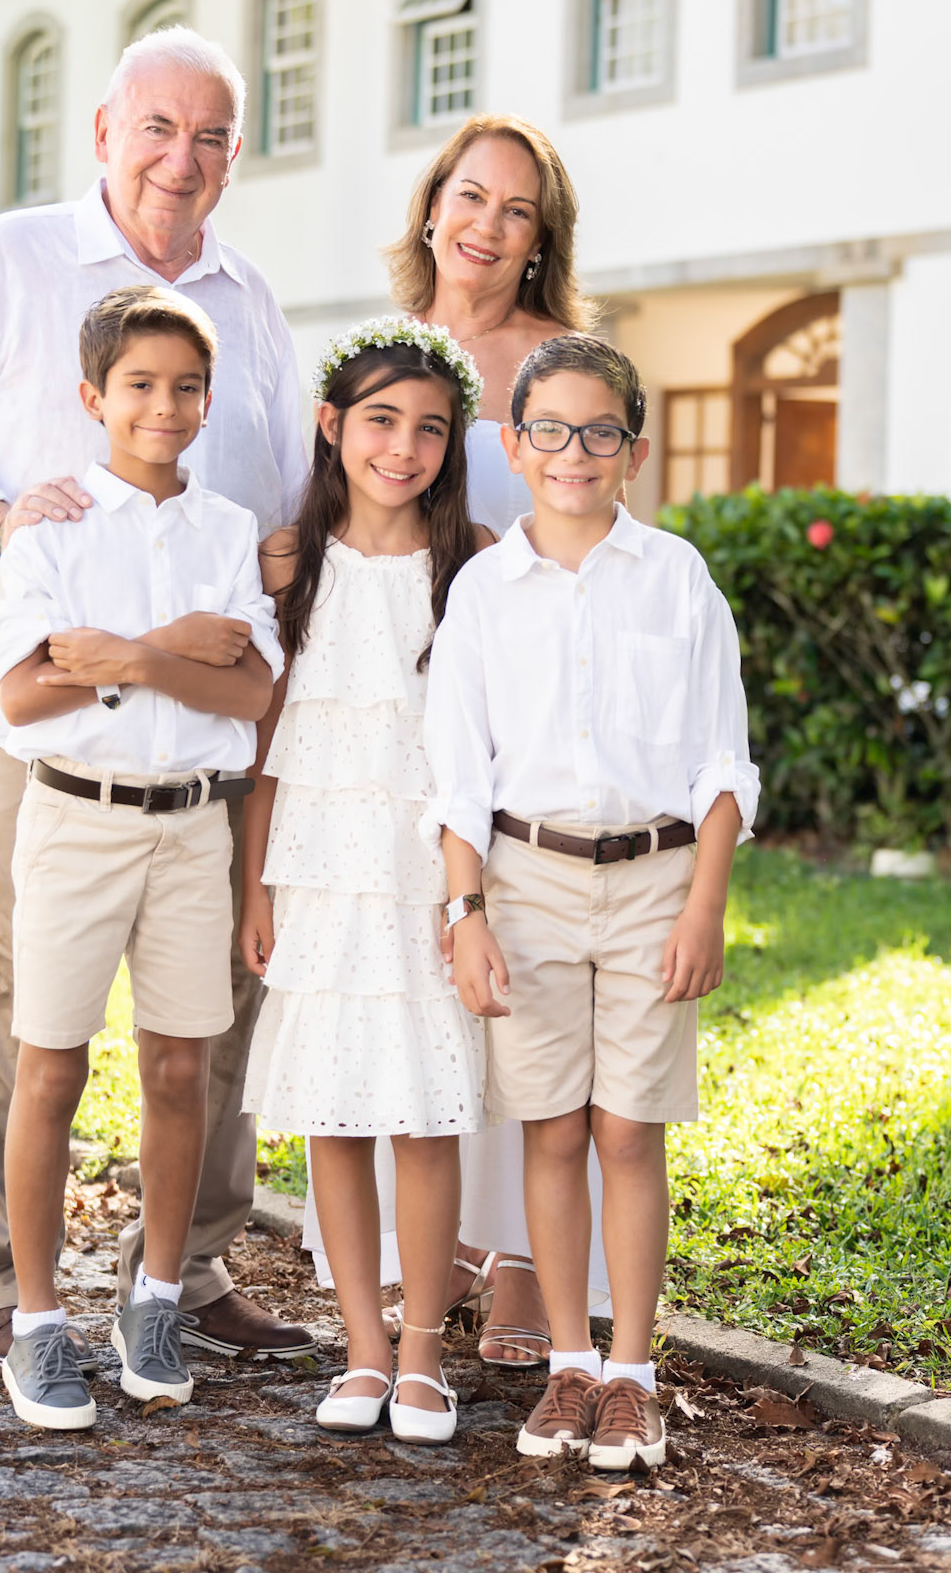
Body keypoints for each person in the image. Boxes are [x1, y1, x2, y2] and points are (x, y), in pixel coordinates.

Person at [0, 28, 313, 1368]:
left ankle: (181, 1274)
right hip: (41, 723)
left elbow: (289, 479)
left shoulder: (249, 298)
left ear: (234, 155)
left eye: (211, 136)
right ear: (104, 133)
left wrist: (283, 562)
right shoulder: (10, 261)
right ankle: (2, 1284)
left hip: (209, 735)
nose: (182, 158)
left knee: (216, 1005)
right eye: (158, 128)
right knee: (21, 1001)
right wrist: (0, 525)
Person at [424, 333, 759, 1470]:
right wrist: (466, 913)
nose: (575, 451)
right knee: (554, 1126)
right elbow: (459, 775)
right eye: (551, 430)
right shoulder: (481, 592)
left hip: (659, 878)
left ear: (635, 451)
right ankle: (568, 1365)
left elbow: (723, 762)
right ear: (513, 446)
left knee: (628, 1126)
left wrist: (704, 905)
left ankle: (632, 1373)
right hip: (526, 882)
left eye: (600, 431)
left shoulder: (676, 576)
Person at [0, 286, 283, 1428]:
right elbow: (24, 695)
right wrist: (168, 648)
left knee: (178, 1070)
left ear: (208, 401)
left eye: (187, 387)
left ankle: (154, 1300)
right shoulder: (51, 528)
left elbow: (249, 692)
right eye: (141, 385)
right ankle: (35, 1323)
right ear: (93, 397)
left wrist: (123, 658)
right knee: (51, 1071)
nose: (165, 406)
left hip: (193, 826)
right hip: (77, 822)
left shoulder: (226, 530)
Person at [239, 318, 490, 1444]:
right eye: (381, 420)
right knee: (333, 1109)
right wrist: (254, 888)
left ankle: (425, 1353)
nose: (404, 447)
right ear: (331, 425)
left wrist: (470, 897)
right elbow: (264, 744)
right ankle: (361, 1349)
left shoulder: (471, 559)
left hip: (427, 871)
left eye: (430, 428)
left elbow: (485, 740)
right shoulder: (285, 561)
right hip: (317, 870)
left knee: (425, 1111)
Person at [380, 113, 602, 1365]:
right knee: (428, 971)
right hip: (397, 702)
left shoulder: (559, 365)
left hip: (528, 710)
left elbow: (595, 534)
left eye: (518, 210)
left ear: (540, 239)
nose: (488, 224)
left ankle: (523, 1250)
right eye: (472, 196)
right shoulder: (381, 355)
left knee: (522, 968)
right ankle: (451, 1233)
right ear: (433, 206)